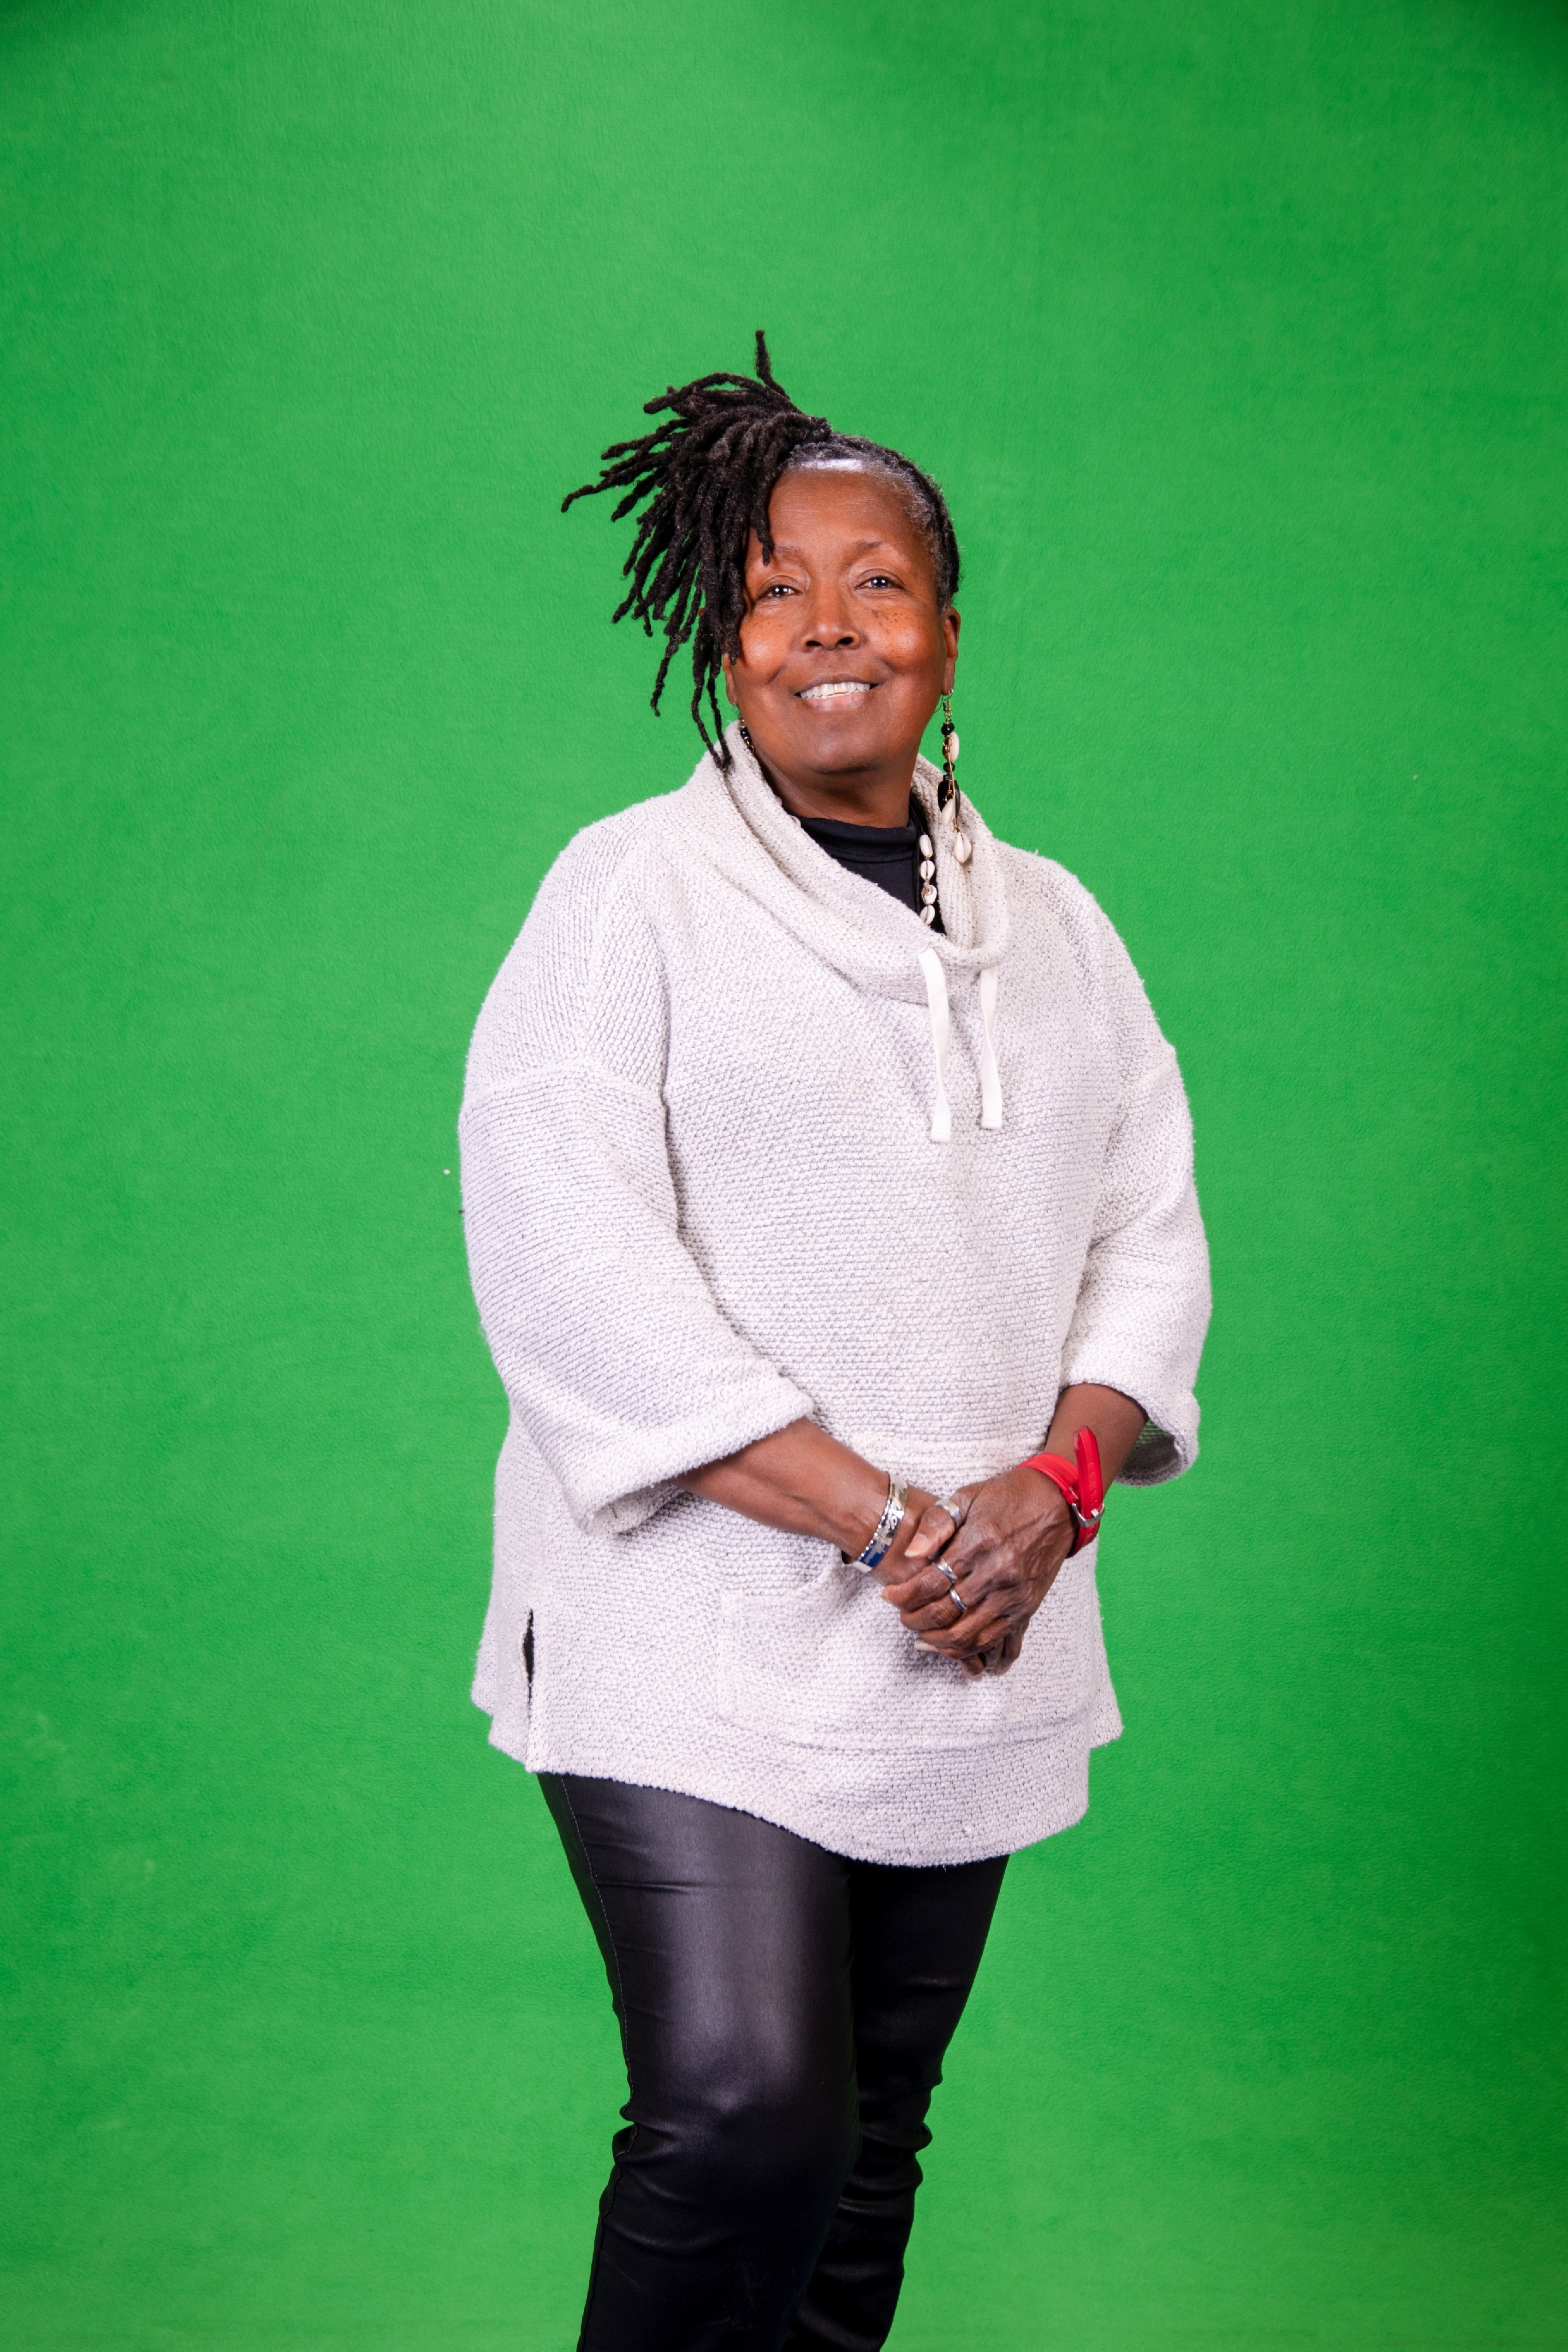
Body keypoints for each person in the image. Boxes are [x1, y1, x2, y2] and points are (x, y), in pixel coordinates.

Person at [458, 334, 1211, 2351]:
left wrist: (1051, 1498)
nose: (826, 625)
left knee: (872, 2145)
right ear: (724, 645)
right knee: (744, 2110)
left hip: (974, 1624)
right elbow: (571, 1263)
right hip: (687, 1623)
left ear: (949, 633)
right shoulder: (628, 898)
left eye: (876, 582)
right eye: (773, 589)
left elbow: (1148, 1237)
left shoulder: (1060, 931)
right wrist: (886, 1521)